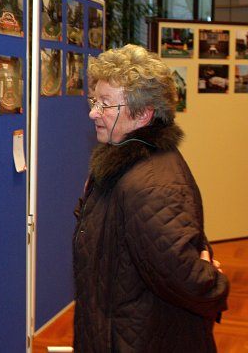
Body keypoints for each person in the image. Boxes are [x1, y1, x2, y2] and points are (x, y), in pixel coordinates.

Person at [73, 44, 229, 352]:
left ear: (143, 114)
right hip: (114, 331)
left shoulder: (151, 184)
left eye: (106, 104)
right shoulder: (119, 164)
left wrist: (216, 283)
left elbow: (186, 278)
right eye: (94, 101)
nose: (93, 112)